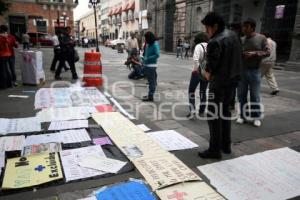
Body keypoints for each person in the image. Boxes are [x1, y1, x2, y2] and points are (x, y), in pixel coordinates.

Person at [198, 12, 242, 159]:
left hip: (219, 84)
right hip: (233, 82)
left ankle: (214, 149)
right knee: (225, 113)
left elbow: (211, 68)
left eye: (207, 27)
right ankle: (226, 145)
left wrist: (204, 71)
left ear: (215, 26)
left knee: (213, 115)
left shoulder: (215, 41)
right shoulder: (234, 35)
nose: (206, 31)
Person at [237, 18, 270, 127]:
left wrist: (255, 54)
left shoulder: (261, 38)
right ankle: (242, 115)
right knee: (241, 95)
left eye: (246, 27)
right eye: (243, 27)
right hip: (242, 71)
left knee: (254, 95)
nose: (244, 29)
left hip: (254, 71)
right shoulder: (241, 39)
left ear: (252, 27)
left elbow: (268, 52)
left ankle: (256, 117)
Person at [186, 33, 209, 119]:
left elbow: (196, 59)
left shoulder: (198, 46)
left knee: (191, 91)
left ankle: (192, 111)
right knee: (203, 91)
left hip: (197, 72)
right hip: (207, 72)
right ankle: (202, 111)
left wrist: (197, 69)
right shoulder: (209, 45)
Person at [142, 31, 160, 102]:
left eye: (146, 38)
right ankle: (150, 95)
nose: (145, 39)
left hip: (151, 65)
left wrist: (147, 58)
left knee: (152, 82)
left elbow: (157, 54)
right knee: (152, 81)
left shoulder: (154, 44)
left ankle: (150, 96)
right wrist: (144, 58)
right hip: (148, 65)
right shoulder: (149, 44)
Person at [0, 25, 13, 89]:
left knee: (3, 70)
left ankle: (4, 85)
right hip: (7, 54)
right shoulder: (6, 36)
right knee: (7, 69)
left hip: (2, 54)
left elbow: (1, 47)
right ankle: (9, 83)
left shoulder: (1, 37)